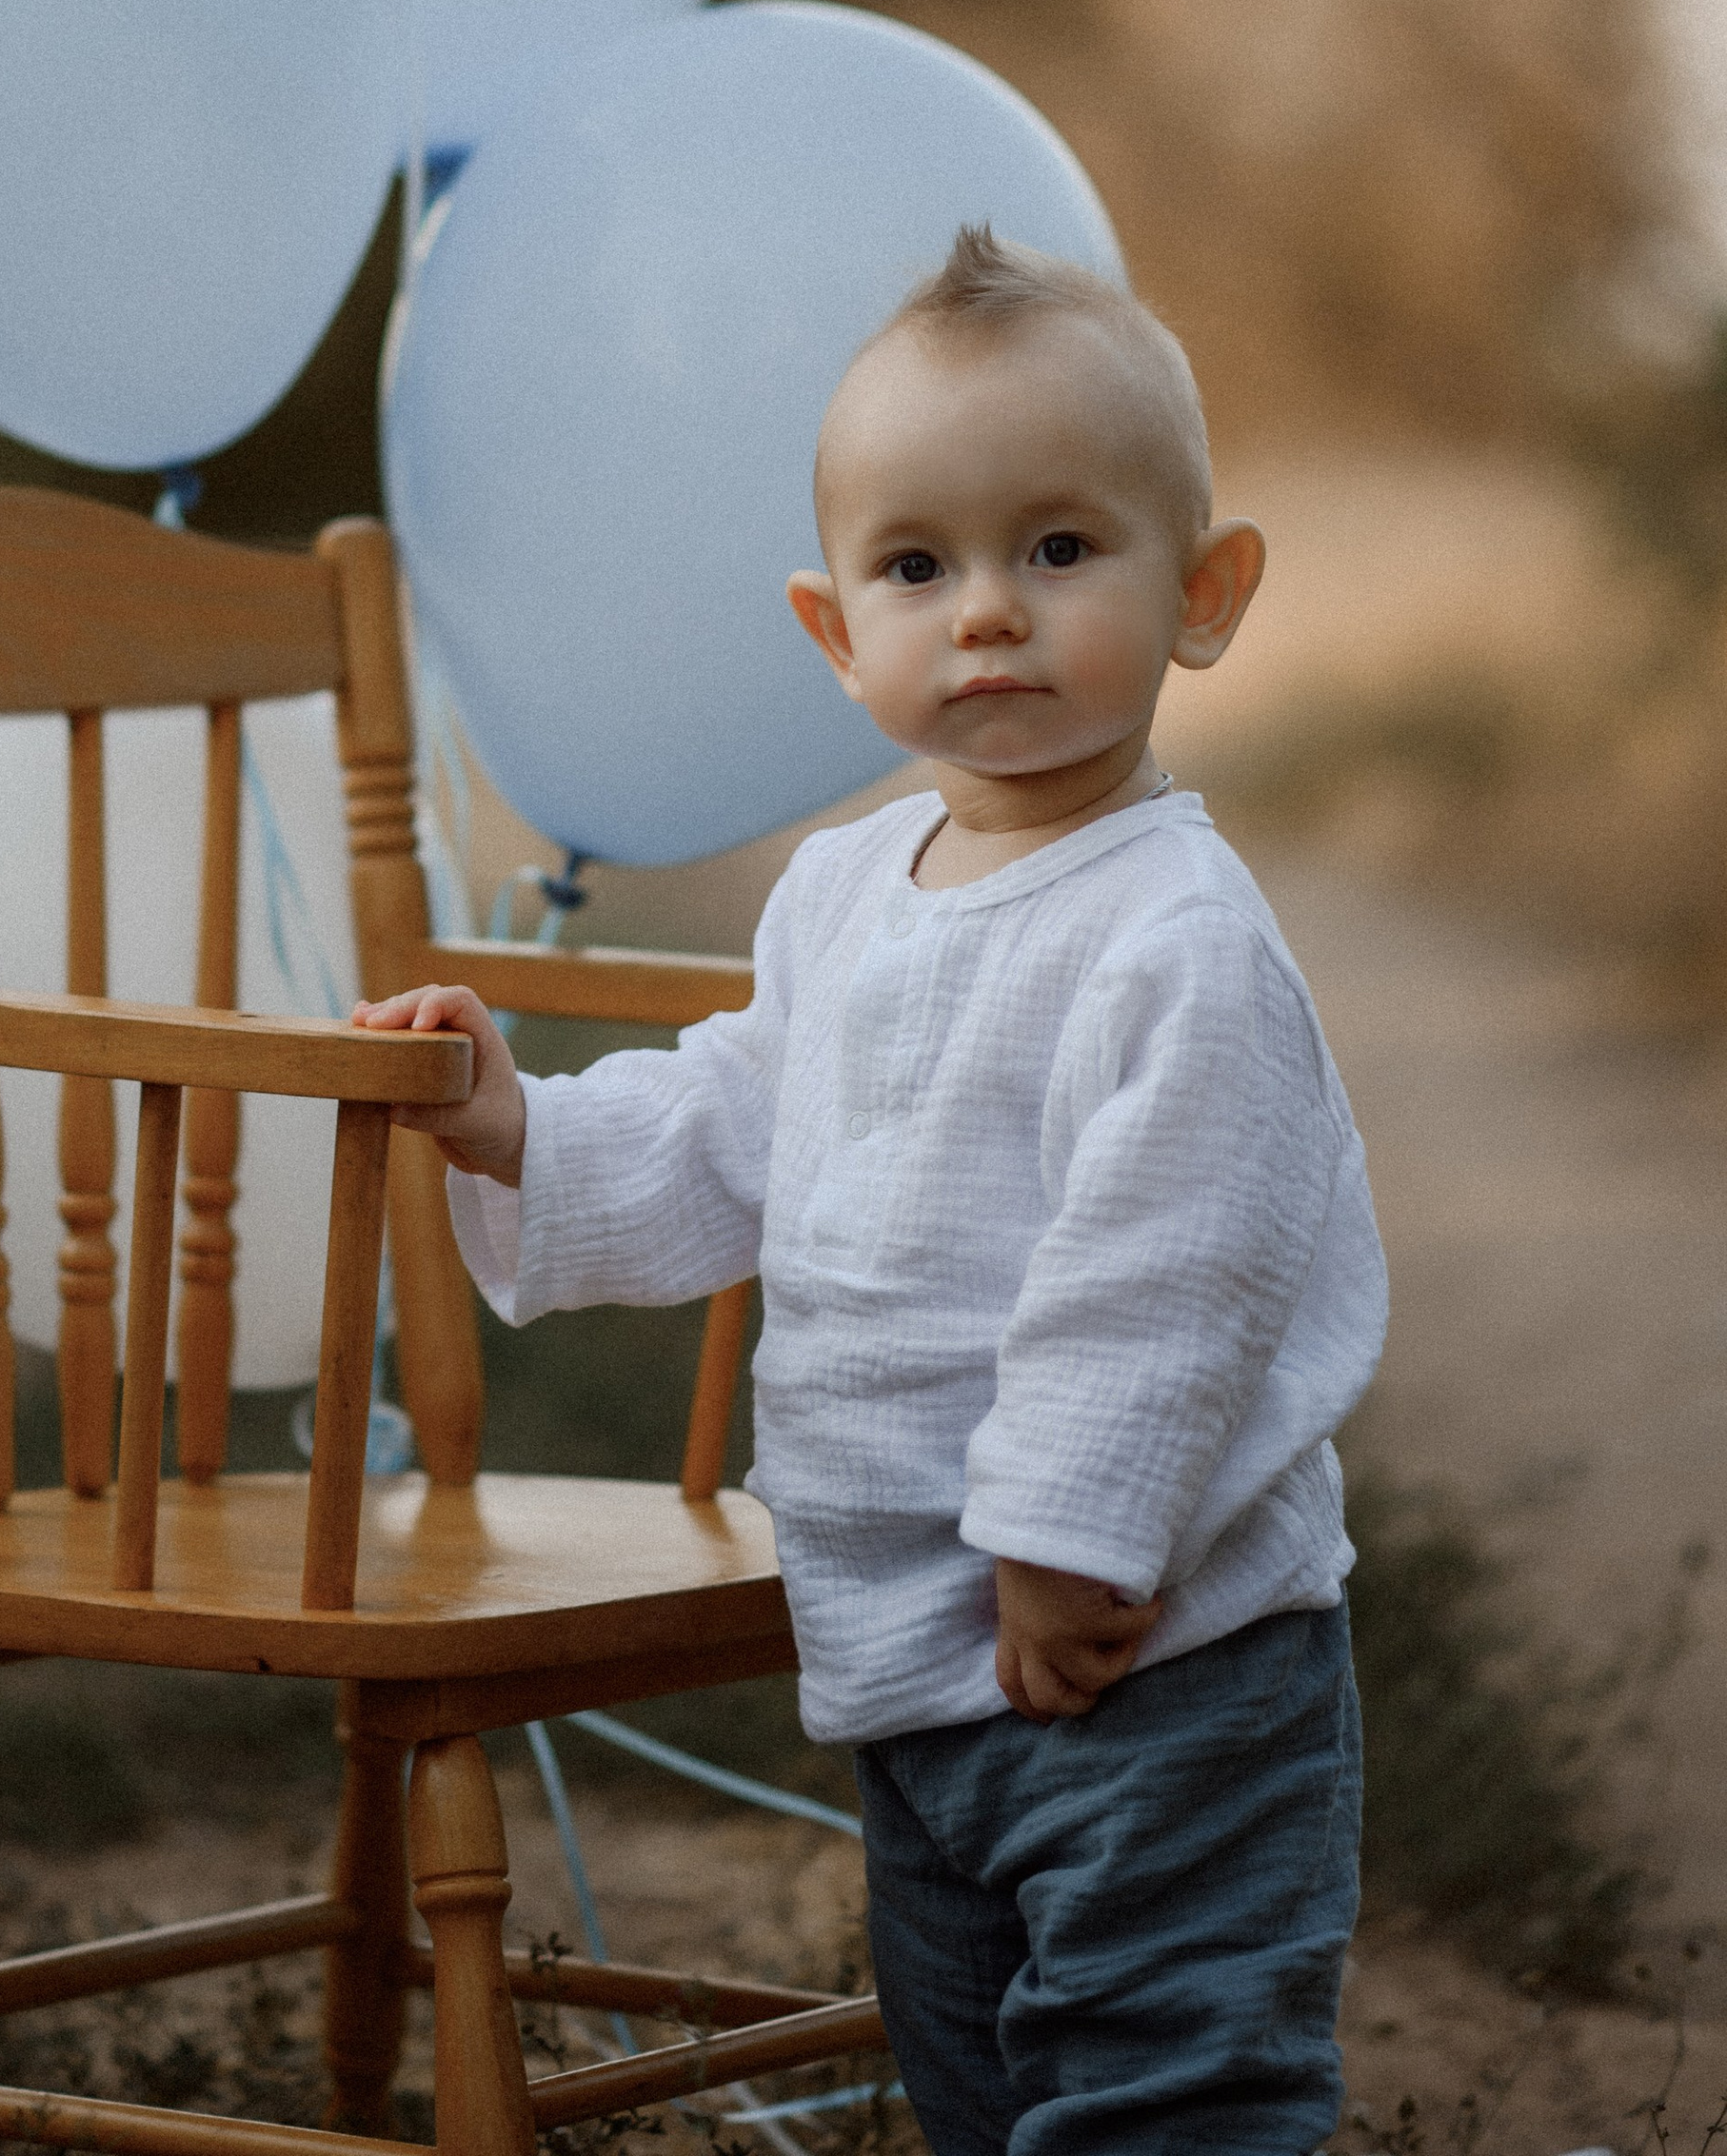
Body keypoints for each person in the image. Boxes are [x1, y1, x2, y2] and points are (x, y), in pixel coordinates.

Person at [355, 225, 1388, 2156]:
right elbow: (743, 1122)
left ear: (1203, 591)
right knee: (973, 2075)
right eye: (917, 567)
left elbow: (1169, 1271)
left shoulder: (1174, 936)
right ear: (836, 632)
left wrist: (1073, 1536)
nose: (984, 611)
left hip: (1145, 1660)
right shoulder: (840, 895)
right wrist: (527, 1129)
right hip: (910, 1661)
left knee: (1163, 2086)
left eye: (1057, 550)